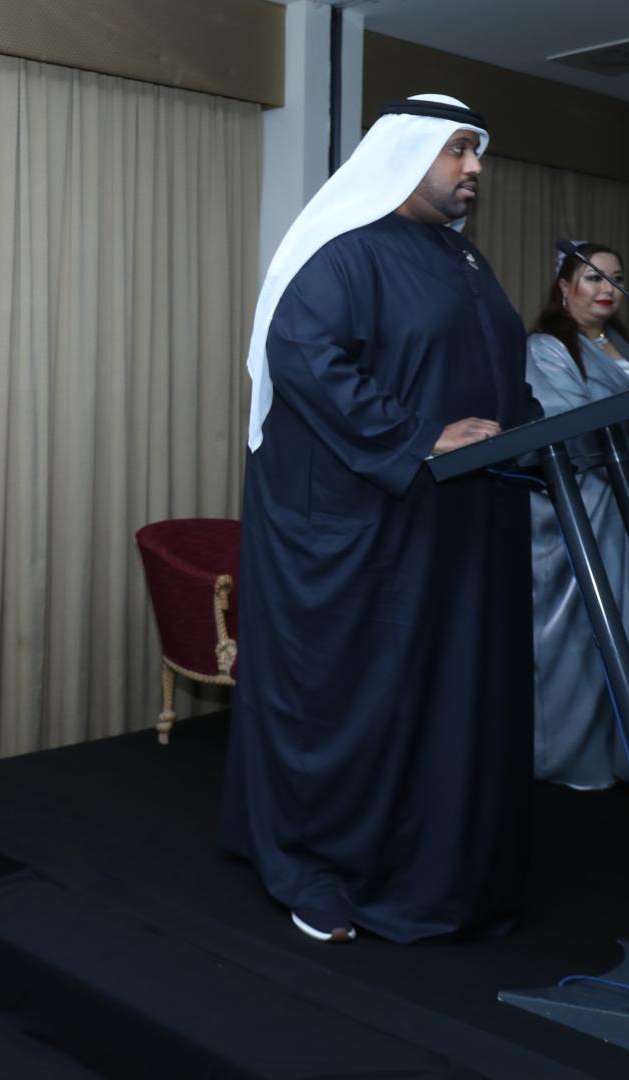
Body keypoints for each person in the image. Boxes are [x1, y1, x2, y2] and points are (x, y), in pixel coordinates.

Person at [220, 95, 542, 944]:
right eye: (458, 150)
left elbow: (496, 380)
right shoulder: (343, 251)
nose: (475, 167)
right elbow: (303, 355)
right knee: (362, 699)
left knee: (447, 700)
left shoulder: (463, 259)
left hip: (458, 528)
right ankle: (323, 868)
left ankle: (442, 872)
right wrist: (417, 437)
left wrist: (544, 437)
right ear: (406, 154)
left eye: (477, 151)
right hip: (364, 533)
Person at [525, 242, 629, 789]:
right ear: (564, 286)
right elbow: (567, 425)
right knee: (592, 635)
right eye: (593, 277)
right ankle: (583, 761)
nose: (607, 289)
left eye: (616, 279)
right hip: (593, 512)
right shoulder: (547, 348)